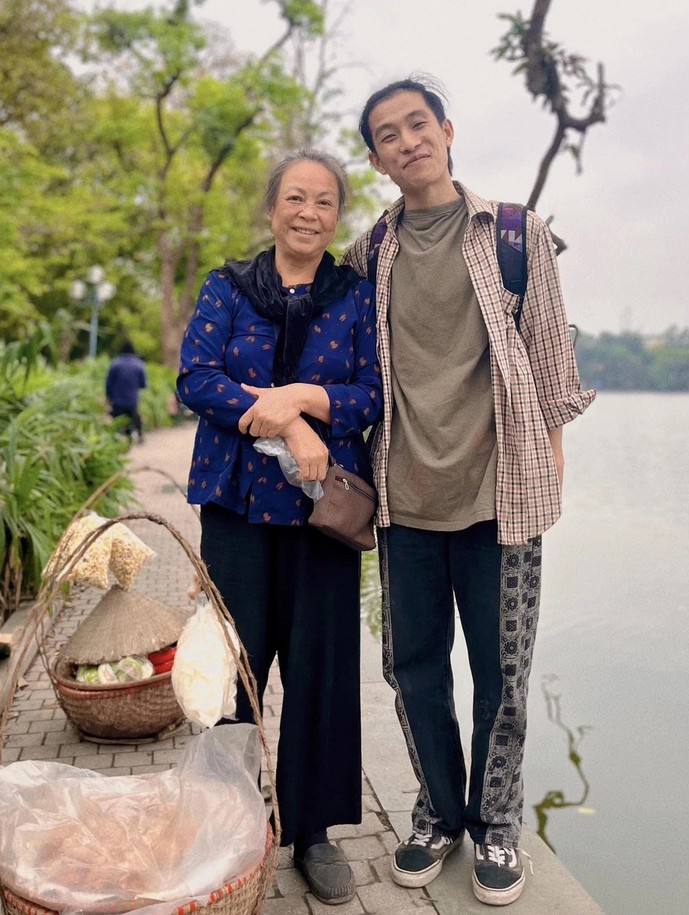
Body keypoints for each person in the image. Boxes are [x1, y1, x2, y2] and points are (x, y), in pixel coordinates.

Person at [343, 78, 596, 906]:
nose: (408, 140)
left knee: (502, 678)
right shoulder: (370, 253)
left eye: (419, 123)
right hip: (404, 496)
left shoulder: (515, 234)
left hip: (501, 498)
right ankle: (437, 813)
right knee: (412, 670)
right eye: (389, 133)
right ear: (378, 159)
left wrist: (546, 478)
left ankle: (495, 826)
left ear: (447, 131)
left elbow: (555, 365)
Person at [176, 149, 381, 906]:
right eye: (295, 198)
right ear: (272, 209)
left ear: (336, 217)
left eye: (324, 202)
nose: (308, 212)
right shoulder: (228, 287)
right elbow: (195, 377)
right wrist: (287, 425)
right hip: (235, 506)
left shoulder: (353, 295)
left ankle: (313, 831)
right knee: (234, 666)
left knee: (322, 669)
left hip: (321, 513)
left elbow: (371, 393)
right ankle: (231, 813)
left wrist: (297, 401)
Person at [105, 341, 147, 441]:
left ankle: (117, 437)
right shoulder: (139, 365)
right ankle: (139, 435)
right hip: (132, 399)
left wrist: (109, 396)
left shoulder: (115, 363)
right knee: (134, 416)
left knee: (118, 420)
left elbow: (108, 383)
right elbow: (143, 384)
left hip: (117, 400)